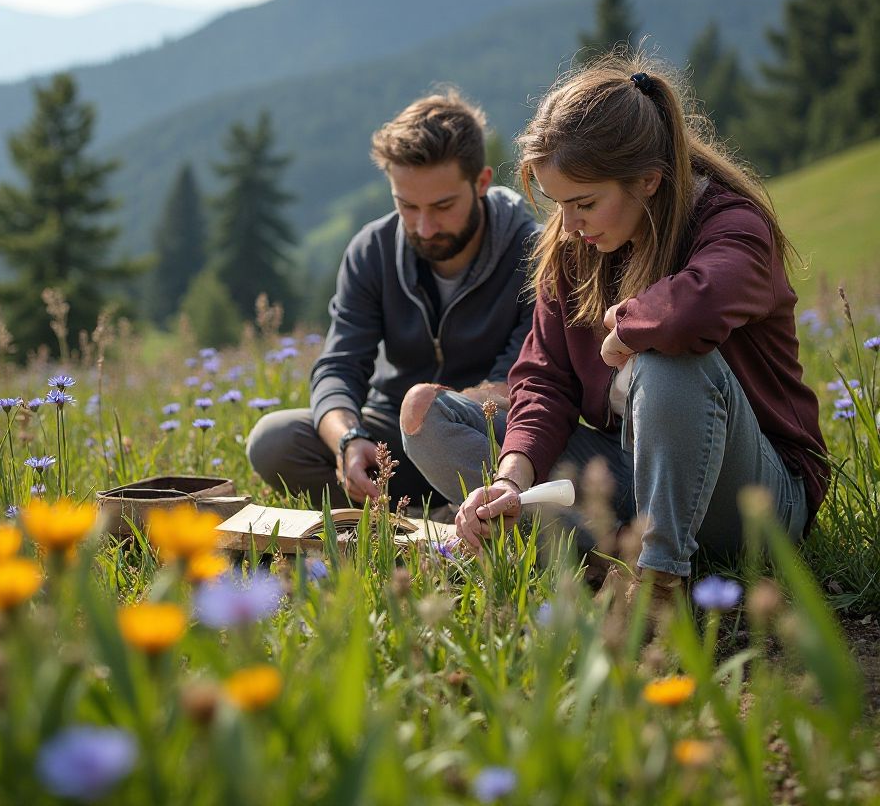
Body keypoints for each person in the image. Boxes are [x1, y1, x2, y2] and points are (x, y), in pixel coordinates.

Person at [455, 53, 829, 596]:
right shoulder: (576, 245)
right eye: (558, 204)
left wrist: (626, 326)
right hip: (635, 474)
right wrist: (512, 477)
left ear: (648, 180)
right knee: (435, 418)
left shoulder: (734, 226)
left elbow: (692, 313)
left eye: (584, 203)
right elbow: (544, 380)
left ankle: (657, 580)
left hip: (756, 504)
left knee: (667, 363)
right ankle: (598, 537)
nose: (569, 224)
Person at [247, 90, 539, 508]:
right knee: (273, 441)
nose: (424, 227)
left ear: (481, 183)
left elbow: (518, 383)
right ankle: (419, 516)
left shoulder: (534, 255)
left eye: (442, 206)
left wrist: (436, 420)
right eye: (407, 206)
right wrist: (349, 439)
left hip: (487, 439)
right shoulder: (373, 250)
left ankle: (461, 511)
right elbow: (339, 366)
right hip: (391, 437)